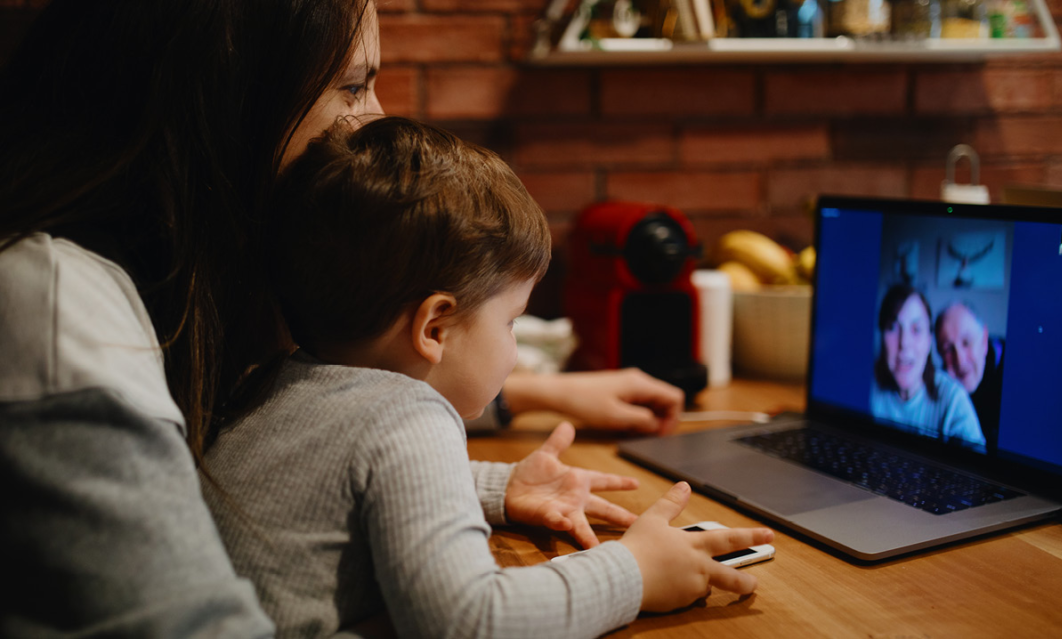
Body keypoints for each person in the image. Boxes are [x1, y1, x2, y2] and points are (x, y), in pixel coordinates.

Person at [0, 0, 680, 635]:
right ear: (230, 95)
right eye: (352, 88)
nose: (376, 120)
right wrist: (631, 572)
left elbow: (323, 458)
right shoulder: (60, 308)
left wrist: (501, 472)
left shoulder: (231, 337)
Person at [203, 117, 773, 638]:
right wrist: (634, 572)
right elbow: (470, 622)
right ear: (436, 327)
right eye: (512, 321)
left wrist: (501, 488)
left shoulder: (273, 380)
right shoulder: (408, 415)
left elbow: (354, 480)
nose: (515, 350)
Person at [870, 285, 986, 452]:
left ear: (929, 341)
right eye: (893, 328)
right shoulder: (867, 387)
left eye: (916, 330)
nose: (904, 343)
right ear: (881, 334)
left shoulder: (954, 401)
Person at [935, 302, 1005, 447]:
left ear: (984, 341)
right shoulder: (941, 388)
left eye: (966, 342)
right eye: (948, 349)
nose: (959, 360)